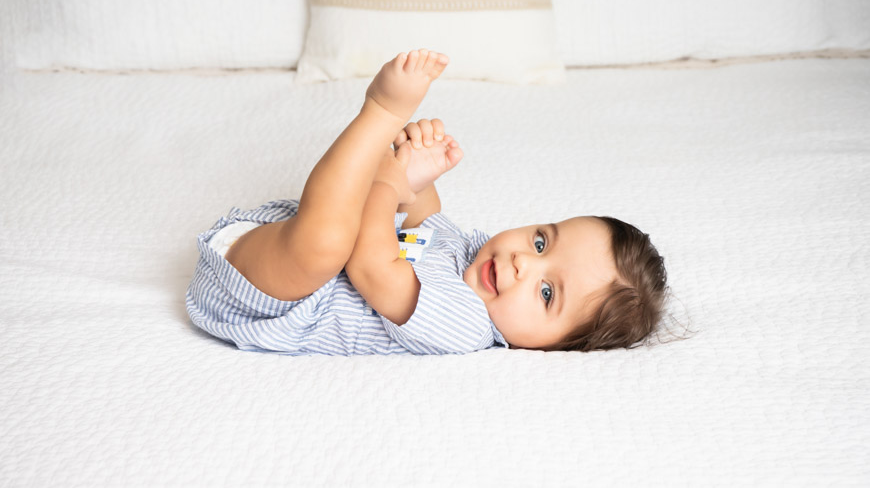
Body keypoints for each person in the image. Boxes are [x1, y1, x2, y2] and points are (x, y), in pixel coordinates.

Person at [186, 49, 669, 355]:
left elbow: (373, 266)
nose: (523, 263)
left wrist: (388, 184)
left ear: (552, 347)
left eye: (547, 293)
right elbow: (424, 222)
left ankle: (380, 111)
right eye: (541, 242)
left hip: (261, 300)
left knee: (330, 242)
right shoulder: (469, 253)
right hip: (268, 249)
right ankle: (379, 137)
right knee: (344, 222)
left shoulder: (465, 324)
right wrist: (417, 170)